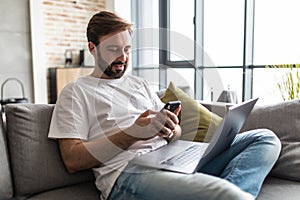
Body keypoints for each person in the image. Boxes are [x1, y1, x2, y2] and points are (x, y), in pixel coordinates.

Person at [48, 10, 281, 200]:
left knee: (265, 139)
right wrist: (132, 133)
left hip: (173, 160)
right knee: (228, 195)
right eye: (113, 49)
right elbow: (72, 160)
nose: (123, 57)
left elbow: (175, 132)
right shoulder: (76, 92)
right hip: (130, 173)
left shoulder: (140, 84)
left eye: (127, 49)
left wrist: (170, 129)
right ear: (92, 48)